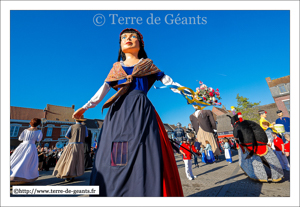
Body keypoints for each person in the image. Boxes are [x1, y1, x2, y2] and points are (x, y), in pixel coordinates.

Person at [72, 28, 183, 197]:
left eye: (133, 36)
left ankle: (142, 189)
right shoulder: (116, 67)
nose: (128, 39)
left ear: (141, 43)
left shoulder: (147, 64)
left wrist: (190, 94)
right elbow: (104, 89)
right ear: (120, 44)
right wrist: (86, 106)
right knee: (117, 151)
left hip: (141, 111)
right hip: (118, 112)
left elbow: (169, 82)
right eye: (124, 37)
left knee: (143, 149)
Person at [52, 116, 88, 182]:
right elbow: (86, 136)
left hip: (72, 144)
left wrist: (72, 138)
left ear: (76, 120)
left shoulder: (72, 126)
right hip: (80, 145)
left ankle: (67, 174)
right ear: (82, 120)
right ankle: (74, 174)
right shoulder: (84, 127)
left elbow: (66, 136)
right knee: (78, 160)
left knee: (69, 159)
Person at [10, 118, 43, 184]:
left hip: (22, 146)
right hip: (31, 147)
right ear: (38, 124)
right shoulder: (39, 131)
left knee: (16, 159)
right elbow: (39, 139)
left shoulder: (25, 130)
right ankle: (25, 177)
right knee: (28, 162)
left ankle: (12, 174)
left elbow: (20, 138)